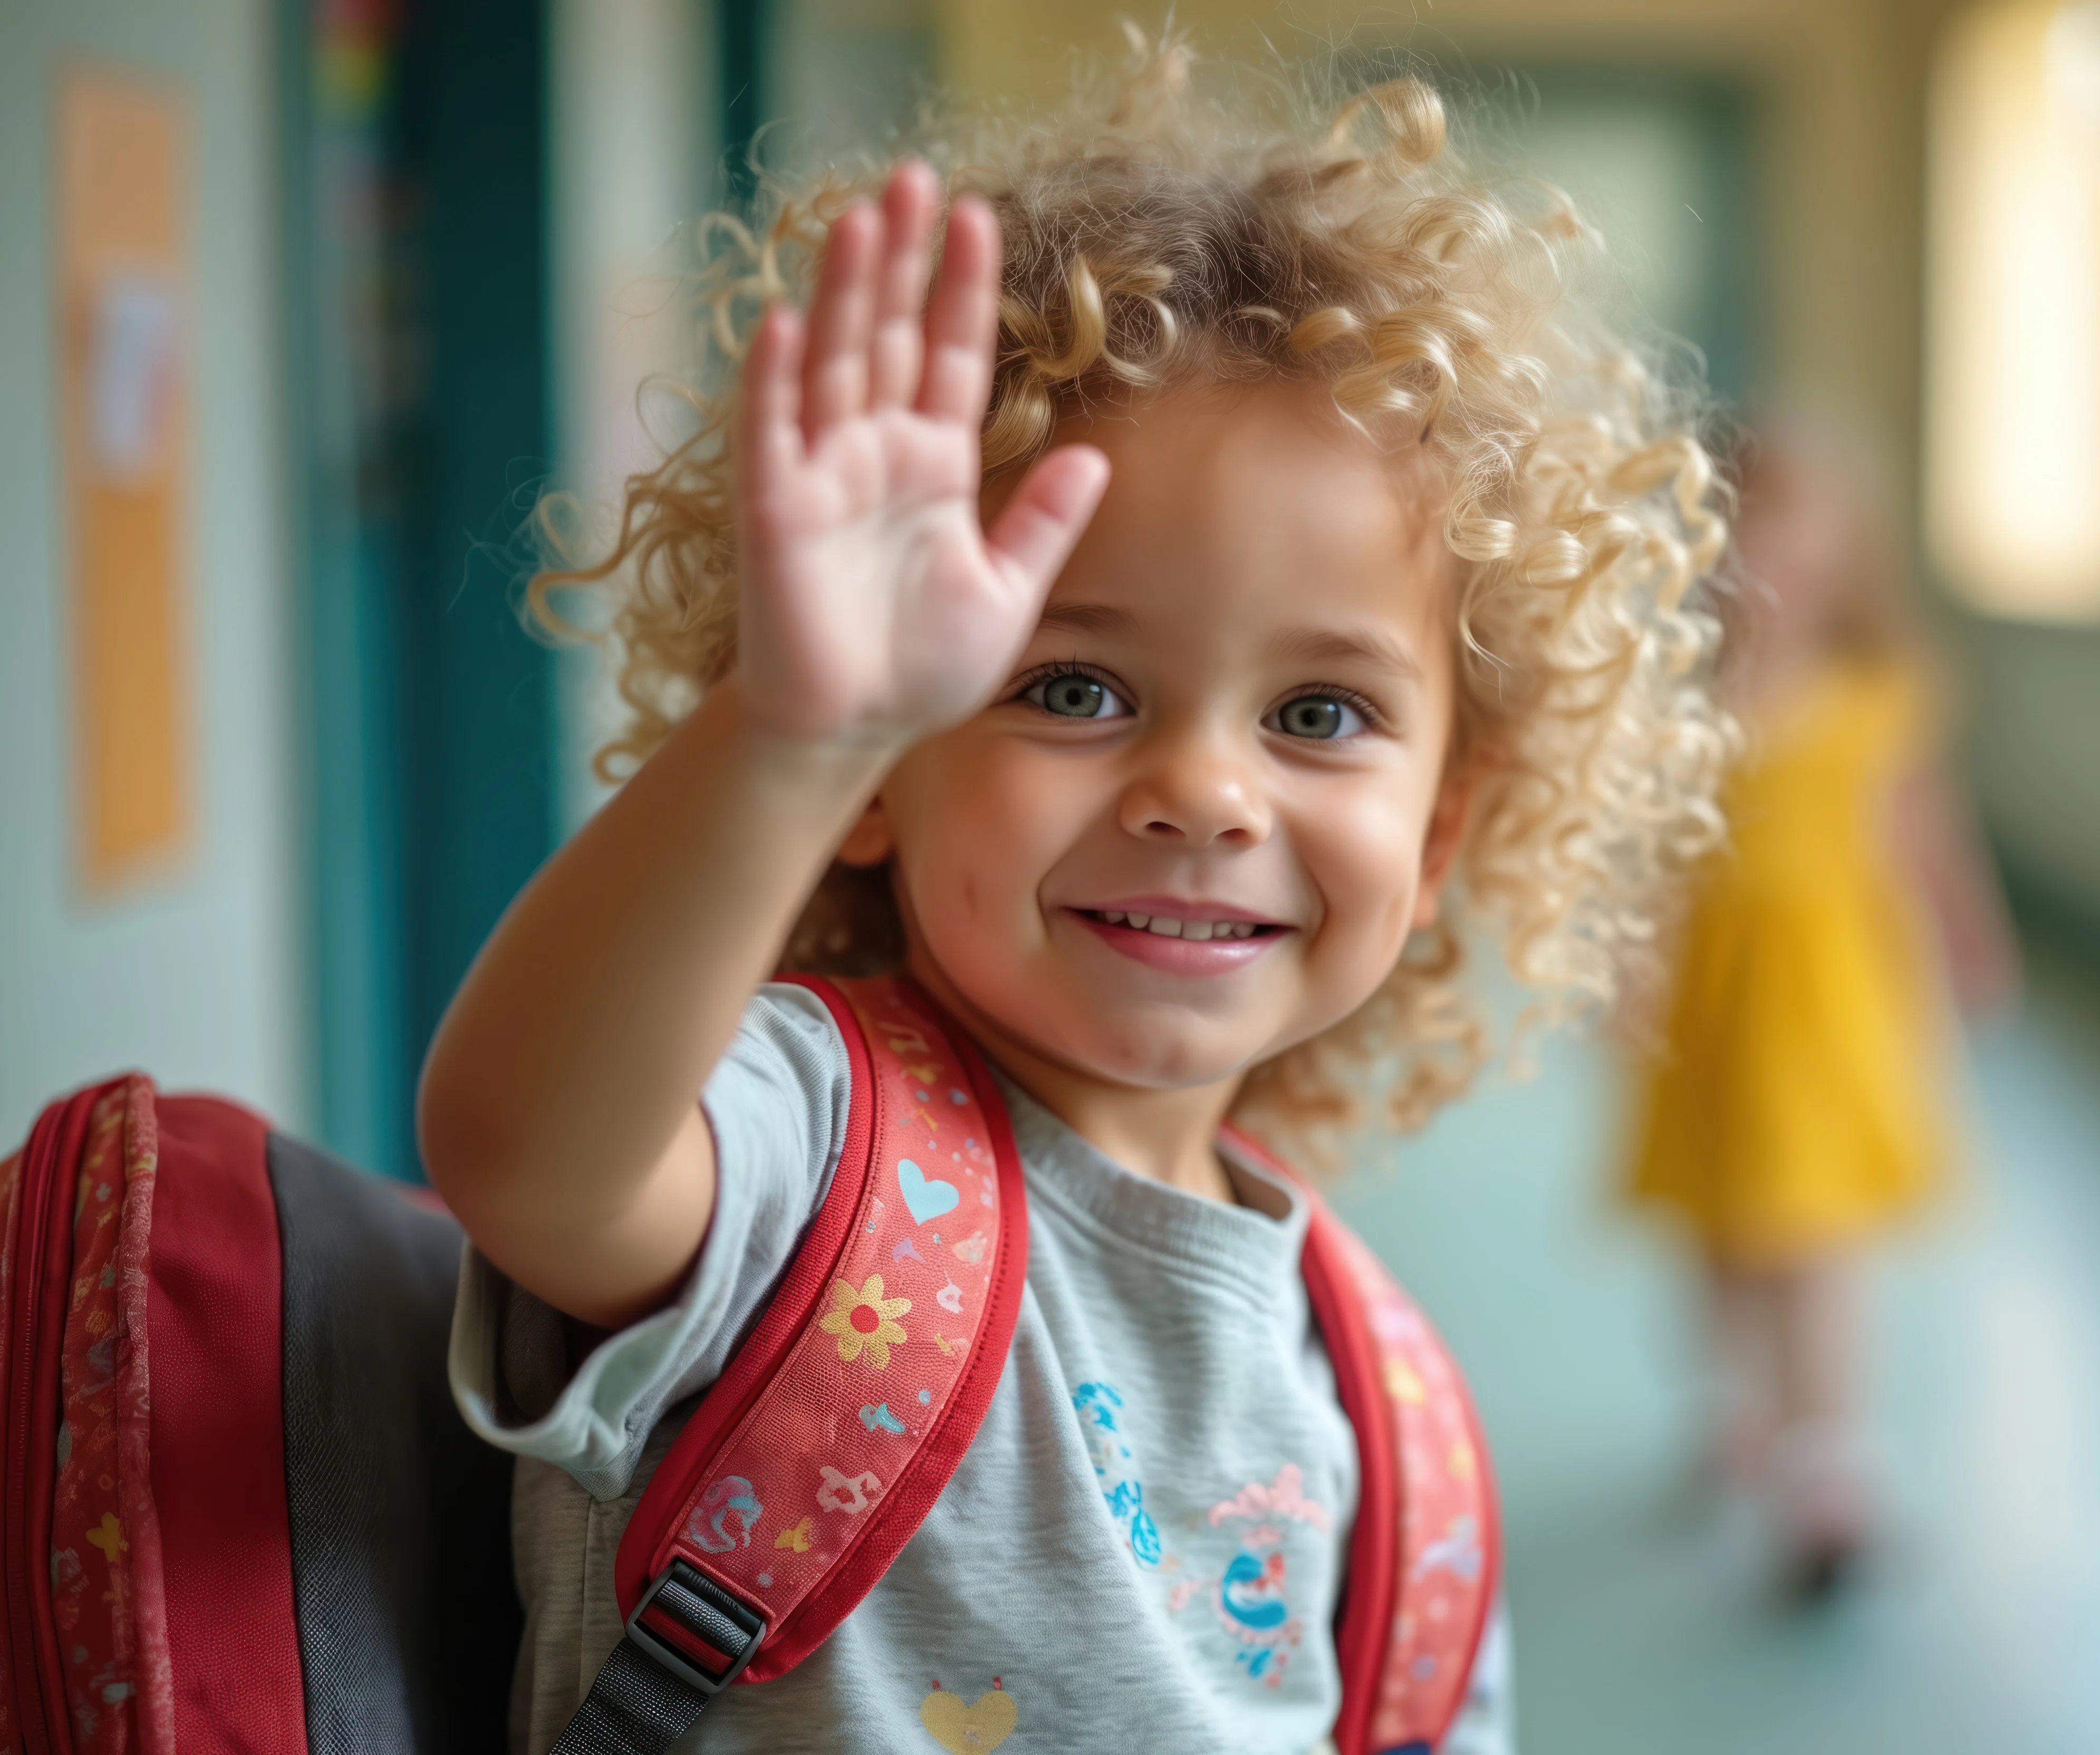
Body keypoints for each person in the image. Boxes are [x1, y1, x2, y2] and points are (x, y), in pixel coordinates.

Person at [414, 32, 1731, 1752]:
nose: (1204, 789)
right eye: (1074, 686)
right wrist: (792, 733)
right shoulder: (811, 1164)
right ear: (886, 771)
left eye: (1319, 714)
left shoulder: (1388, 1399)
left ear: (1444, 834)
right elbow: (527, 1152)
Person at [1627, 425, 2016, 1594]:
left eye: (1796, 531)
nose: (1768, 555)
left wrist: (1967, 938)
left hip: (1831, 1000)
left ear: (1845, 554)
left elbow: (1923, 836)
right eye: (1744, 527)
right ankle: (1738, 1393)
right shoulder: (1683, 699)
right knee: (1724, 1222)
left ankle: (1829, 1451)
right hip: (1714, 1002)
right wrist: (1628, 971)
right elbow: (1654, 854)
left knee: (1815, 1225)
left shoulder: (1876, 698)